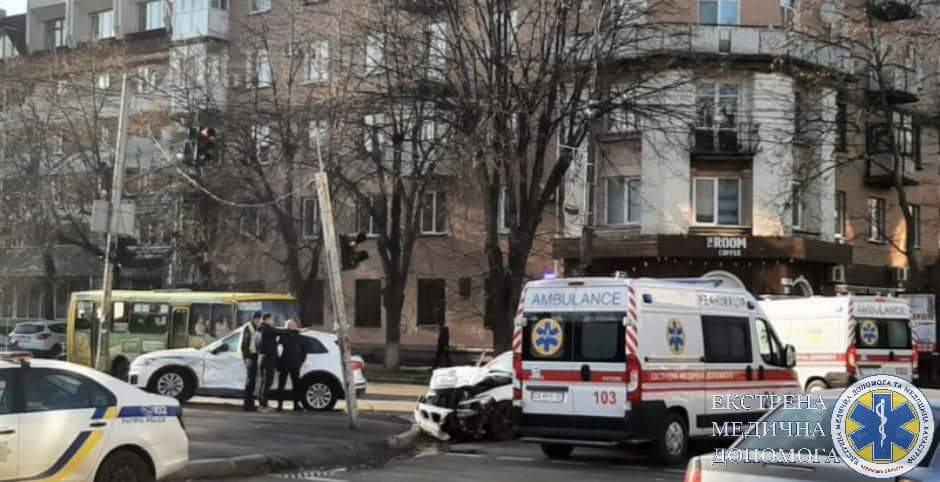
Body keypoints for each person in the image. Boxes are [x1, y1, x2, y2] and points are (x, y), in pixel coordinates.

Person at [256, 313, 298, 412]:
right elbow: (279, 331)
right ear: (267, 320)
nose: (273, 322)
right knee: (267, 383)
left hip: (263, 359)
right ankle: (263, 406)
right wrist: (295, 330)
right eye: (271, 320)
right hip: (268, 360)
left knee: (263, 383)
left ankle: (262, 404)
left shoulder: (260, 329)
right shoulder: (267, 329)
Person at [276, 319, 308, 411]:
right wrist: (278, 363)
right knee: (281, 384)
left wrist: (301, 361)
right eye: (290, 325)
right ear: (287, 326)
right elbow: (278, 349)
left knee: (296, 385)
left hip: (295, 364)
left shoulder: (300, 337)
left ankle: (296, 405)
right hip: (284, 363)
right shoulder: (282, 336)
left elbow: (304, 351)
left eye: (294, 324)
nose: (293, 326)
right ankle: (280, 405)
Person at [241, 312, 262, 411]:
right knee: (250, 382)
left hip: (255, 357)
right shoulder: (249, 327)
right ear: (256, 318)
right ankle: (247, 405)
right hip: (251, 357)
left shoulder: (257, 327)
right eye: (259, 319)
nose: (260, 321)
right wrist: (247, 358)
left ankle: (250, 403)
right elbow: (245, 344)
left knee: (253, 382)